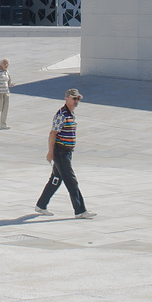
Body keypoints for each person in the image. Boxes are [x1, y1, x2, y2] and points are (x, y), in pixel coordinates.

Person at [30, 89, 96, 219]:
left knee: (55, 180)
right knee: (72, 182)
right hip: (61, 153)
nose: (76, 101)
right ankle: (80, 210)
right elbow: (53, 133)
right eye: (74, 98)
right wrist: (50, 152)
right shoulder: (62, 115)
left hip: (67, 152)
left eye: (78, 99)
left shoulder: (70, 114)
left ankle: (41, 205)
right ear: (67, 98)